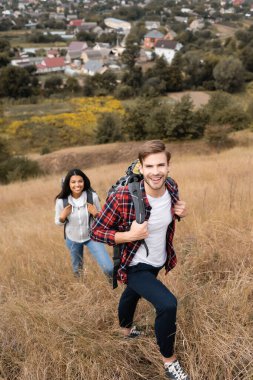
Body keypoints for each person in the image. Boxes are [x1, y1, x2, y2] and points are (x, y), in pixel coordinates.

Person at [91, 140, 189, 380]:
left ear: (168, 166)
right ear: (141, 168)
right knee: (167, 304)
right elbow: (96, 231)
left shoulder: (172, 187)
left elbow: (166, 218)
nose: (156, 172)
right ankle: (169, 362)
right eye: (150, 166)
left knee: (131, 294)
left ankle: (125, 330)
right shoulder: (124, 196)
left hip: (158, 259)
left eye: (161, 165)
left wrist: (181, 212)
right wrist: (129, 235)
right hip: (134, 264)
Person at [55, 168, 113, 279]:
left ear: (84, 182)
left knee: (109, 268)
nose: (77, 185)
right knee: (78, 270)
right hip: (72, 239)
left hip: (92, 237)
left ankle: (112, 286)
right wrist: (62, 217)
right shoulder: (61, 201)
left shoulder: (92, 197)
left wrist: (96, 214)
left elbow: (102, 219)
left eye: (80, 181)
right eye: (73, 182)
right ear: (68, 184)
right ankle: (81, 288)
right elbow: (58, 222)